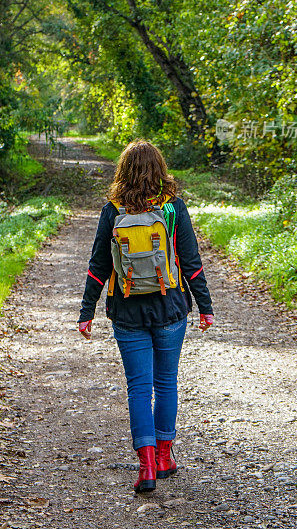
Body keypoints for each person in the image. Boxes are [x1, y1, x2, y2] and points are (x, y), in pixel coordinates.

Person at [78, 139, 214, 493]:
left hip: (126, 311)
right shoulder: (173, 209)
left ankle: (147, 466)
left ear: (123, 172)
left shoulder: (113, 210)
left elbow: (98, 266)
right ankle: (166, 456)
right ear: (159, 170)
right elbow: (191, 263)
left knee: (139, 387)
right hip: (170, 308)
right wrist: (205, 306)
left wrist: (86, 310)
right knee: (166, 382)